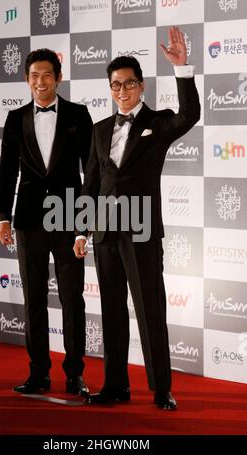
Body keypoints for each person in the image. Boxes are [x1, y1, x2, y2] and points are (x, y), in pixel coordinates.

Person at [73, 27, 200, 409]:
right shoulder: (98, 131)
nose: (122, 92)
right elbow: (91, 185)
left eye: (129, 84)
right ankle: (115, 386)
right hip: (105, 235)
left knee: (149, 309)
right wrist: (80, 230)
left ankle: (161, 389)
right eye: (116, 85)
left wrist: (183, 69)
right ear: (110, 89)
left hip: (142, 230)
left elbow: (189, 114)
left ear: (141, 86)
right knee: (111, 311)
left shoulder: (159, 123)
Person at [0, 48, 93, 395]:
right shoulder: (15, 118)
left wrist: (85, 224)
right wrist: (2, 216)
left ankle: (75, 374)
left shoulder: (79, 115)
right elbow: (7, 171)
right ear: (27, 78)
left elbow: (91, 174)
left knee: (72, 299)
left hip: (68, 218)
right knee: (34, 299)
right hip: (29, 221)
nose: (40, 81)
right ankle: (38, 373)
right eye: (34, 75)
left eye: (47, 75)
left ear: (58, 77)